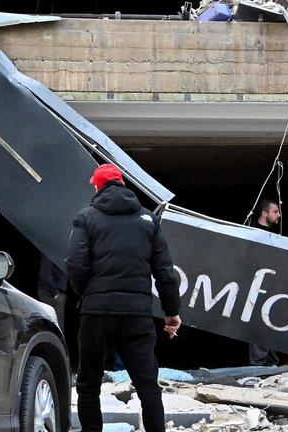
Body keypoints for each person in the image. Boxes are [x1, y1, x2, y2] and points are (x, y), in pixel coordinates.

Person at [66, 163, 182, 432]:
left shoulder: (86, 217)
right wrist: (171, 311)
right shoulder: (148, 220)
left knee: (88, 385)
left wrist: (86, 294)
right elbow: (165, 272)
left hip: (97, 314)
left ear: (97, 186)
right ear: (122, 185)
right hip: (137, 315)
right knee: (148, 386)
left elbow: (75, 263)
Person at [245, 196, 283, 365]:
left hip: (273, 287)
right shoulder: (251, 232)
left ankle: (271, 364)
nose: (279, 215)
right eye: (275, 212)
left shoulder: (276, 234)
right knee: (258, 327)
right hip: (256, 286)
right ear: (264, 213)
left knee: (273, 325)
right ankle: (258, 366)